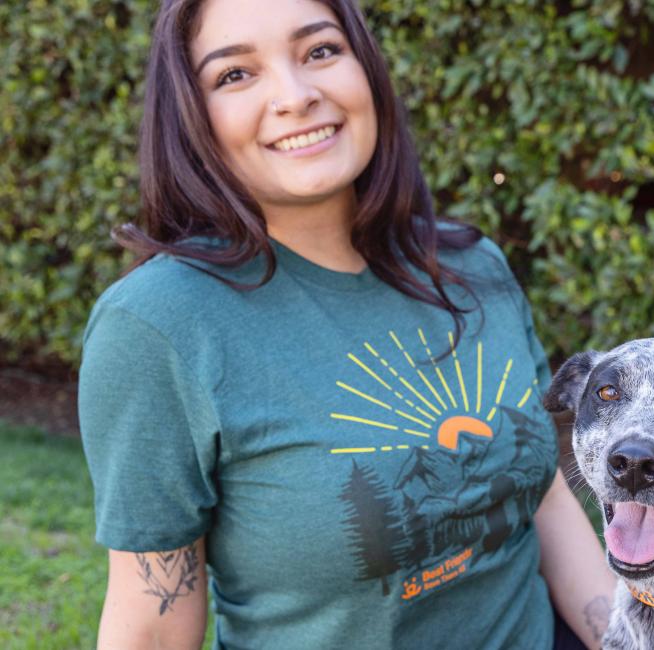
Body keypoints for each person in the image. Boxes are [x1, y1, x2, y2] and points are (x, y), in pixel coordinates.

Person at [77, 1, 616, 648]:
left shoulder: (474, 266)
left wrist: (627, 638)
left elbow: (545, 496)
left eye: (321, 51)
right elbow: (152, 619)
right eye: (235, 75)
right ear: (191, 120)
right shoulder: (158, 328)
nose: (297, 95)